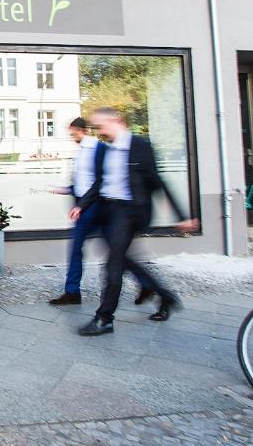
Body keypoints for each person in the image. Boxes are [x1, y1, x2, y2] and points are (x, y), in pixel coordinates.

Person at [74, 107, 199, 336]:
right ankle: (165, 296)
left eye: (100, 125)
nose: (98, 131)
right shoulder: (107, 150)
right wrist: (81, 205)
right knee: (125, 260)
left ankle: (104, 318)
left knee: (113, 264)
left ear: (116, 120)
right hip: (108, 211)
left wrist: (181, 216)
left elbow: (158, 181)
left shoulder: (140, 145)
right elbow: (99, 182)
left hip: (129, 212)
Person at [48, 118, 154, 306]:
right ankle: (145, 284)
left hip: (97, 208)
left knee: (100, 250)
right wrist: (67, 190)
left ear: (82, 131)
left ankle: (74, 292)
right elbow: (83, 182)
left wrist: (82, 206)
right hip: (86, 206)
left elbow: (101, 181)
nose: (72, 137)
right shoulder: (80, 153)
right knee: (106, 251)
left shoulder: (100, 149)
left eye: (73, 133)